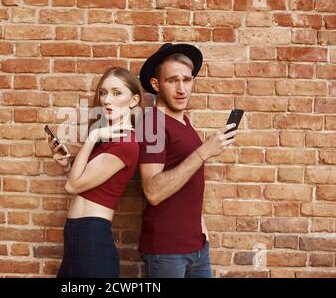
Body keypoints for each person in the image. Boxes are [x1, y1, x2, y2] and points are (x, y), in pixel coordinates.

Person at [137, 43, 239, 278]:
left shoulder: (185, 122)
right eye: (172, 80)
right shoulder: (152, 123)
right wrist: (204, 151)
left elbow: (187, 179)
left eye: (187, 79)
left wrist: (199, 224)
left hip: (197, 246)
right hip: (167, 251)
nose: (182, 89)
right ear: (156, 84)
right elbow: (152, 191)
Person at [46, 67, 145, 278]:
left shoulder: (126, 143)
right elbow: (83, 183)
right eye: (103, 92)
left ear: (134, 100)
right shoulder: (109, 138)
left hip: (92, 237)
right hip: (77, 234)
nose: (107, 100)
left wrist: (93, 137)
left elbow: (72, 186)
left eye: (117, 93)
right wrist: (66, 167)